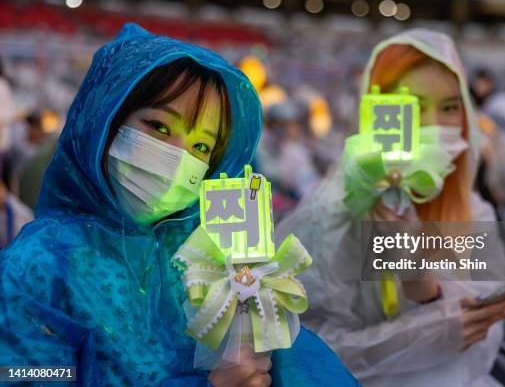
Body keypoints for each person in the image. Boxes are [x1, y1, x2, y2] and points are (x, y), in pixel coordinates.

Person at [0, 23, 357, 387]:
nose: (177, 157)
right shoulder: (36, 267)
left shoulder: (204, 256)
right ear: (104, 119)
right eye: (159, 127)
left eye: (201, 148)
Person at [277, 29, 505, 386]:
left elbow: (480, 339)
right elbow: (306, 346)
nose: (434, 126)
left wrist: (419, 281)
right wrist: (432, 328)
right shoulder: (332, 212)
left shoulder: (473, 211)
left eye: (449, 107)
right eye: (413, 108)